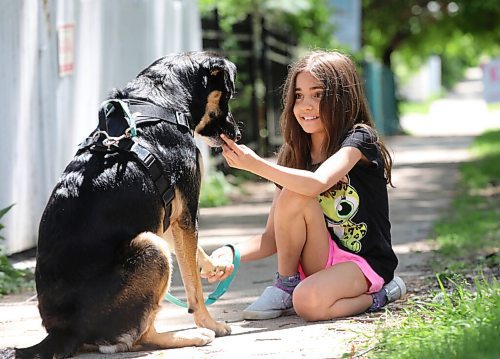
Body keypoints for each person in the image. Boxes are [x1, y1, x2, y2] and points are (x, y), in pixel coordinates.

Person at [203, 50, 406, 321]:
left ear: (342, 98)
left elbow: (318, 183)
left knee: (308, 303)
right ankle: (286, 284)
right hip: (320, 256)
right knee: (293, 194)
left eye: (317, 94)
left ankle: (380, 295)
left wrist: (255, 165)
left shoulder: (360, 139)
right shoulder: (294, 153)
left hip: (364, 263)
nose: (305, 105)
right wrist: (229, 253)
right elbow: (272, 238)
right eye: (299, 95)